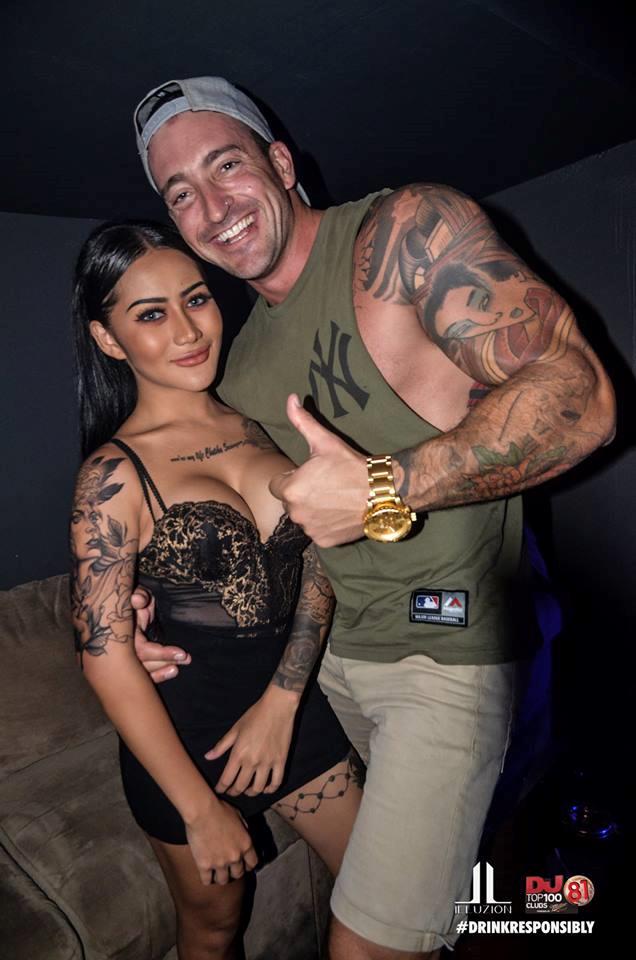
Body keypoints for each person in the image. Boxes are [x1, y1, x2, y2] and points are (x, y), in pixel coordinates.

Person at [129, 77, 616, 960]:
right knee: (422, 899)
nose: (212, 207)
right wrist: (149, 605)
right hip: (324, 663)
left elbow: (582, 399)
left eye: (226, 165)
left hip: (442, 656)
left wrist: (387, 485)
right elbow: (250, 519)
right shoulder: (240, 361)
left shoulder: (404, 232)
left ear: (281, 163)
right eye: (181, 193)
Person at [69, 220, 362, 960]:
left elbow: (319, 565)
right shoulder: (113, 474)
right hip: (187, 736)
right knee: (212, 932)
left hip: (292, 706)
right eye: (151, 313)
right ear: (108, 339)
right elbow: (105, 657)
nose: (188, 329)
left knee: (383, 896)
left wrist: (283, 700)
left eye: (195, 298)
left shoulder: (267, 420)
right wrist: (200, 809)